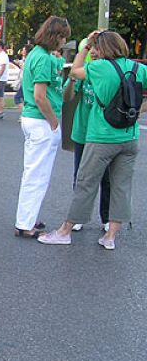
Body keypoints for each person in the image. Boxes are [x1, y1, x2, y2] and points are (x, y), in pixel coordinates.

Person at [38, 30, 147, 250]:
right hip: (129, 136)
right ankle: (110, 237)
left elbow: (74, 73)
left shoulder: (99, 68)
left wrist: (85, 47)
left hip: (102, 137)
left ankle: (65, 231)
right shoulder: (139, 68)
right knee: (121, 186)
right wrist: (137, 113)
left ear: (102, 48)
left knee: (85, 183)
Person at [13, 16, 71, 238]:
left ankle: (28, 218)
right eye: (63, 36)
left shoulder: (37, 55)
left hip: (33, 119)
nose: (64, 41)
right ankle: (26, 223)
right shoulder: (43, 59)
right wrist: (53, 121)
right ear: (55, 36)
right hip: (41, 120)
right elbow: (40, 96)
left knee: (33, 172)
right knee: (38, 174)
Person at [64, 41, 108, 233]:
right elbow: (68, 97)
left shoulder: (110, 71)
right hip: (83, 131)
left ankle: (106, 217)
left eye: (99, 48)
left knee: (107, 177)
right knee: (81, 176)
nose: (95, 52)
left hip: (104, 134)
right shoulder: (85, 71)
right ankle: (79, 216)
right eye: (92, 48)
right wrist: (72, 81)